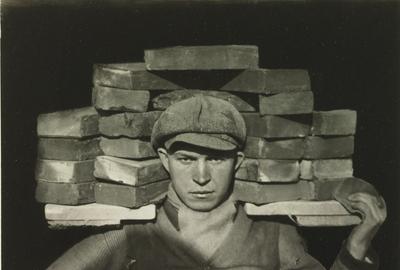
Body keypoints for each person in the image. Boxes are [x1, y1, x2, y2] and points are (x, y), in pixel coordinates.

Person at [48, 96, 386, 270]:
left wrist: (357, 246)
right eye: (186, 159)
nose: (201, 176)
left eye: (216, 159)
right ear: (165, 160)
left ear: (237, 162)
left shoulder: (274, 234)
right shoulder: (129, 234)